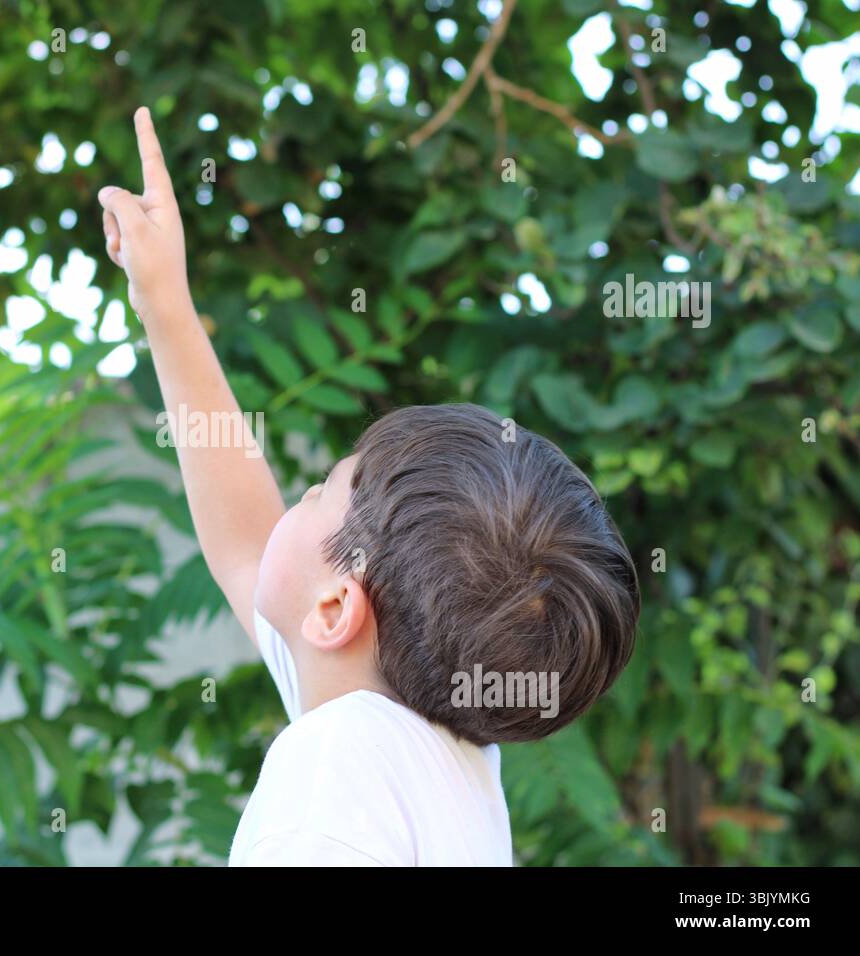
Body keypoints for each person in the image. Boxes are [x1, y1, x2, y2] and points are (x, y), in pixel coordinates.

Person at [97, 107, 640, 866]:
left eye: (322, 488)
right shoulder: (430, 742)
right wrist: (165, 302)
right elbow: (246, 546)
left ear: (336, 608)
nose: (300, 496)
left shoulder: (330, 787)